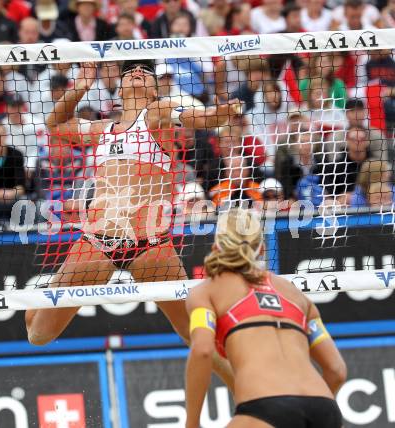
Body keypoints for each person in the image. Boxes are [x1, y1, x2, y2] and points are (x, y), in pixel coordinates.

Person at [25, 60, 242, 389]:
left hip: (152, 244)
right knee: (38, 333)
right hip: (100, 240)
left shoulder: (158, 112)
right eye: (129, 71)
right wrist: (81, 85)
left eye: (145, 71)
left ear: (154, 89)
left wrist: (220, 113)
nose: (137, 71)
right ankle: (46, 295)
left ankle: (249, 390)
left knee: (194, 334)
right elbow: (55, 124)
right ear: (119, 87)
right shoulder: (101, 130)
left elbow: (202, 118)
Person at [185, 208, 346, 428]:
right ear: (261, 248)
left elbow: (202, 351)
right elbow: (336, 370)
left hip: (266, 408)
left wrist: (191, 423)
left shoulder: (206, 292)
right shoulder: (294, 294)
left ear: (215, 247)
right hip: (323, 409)